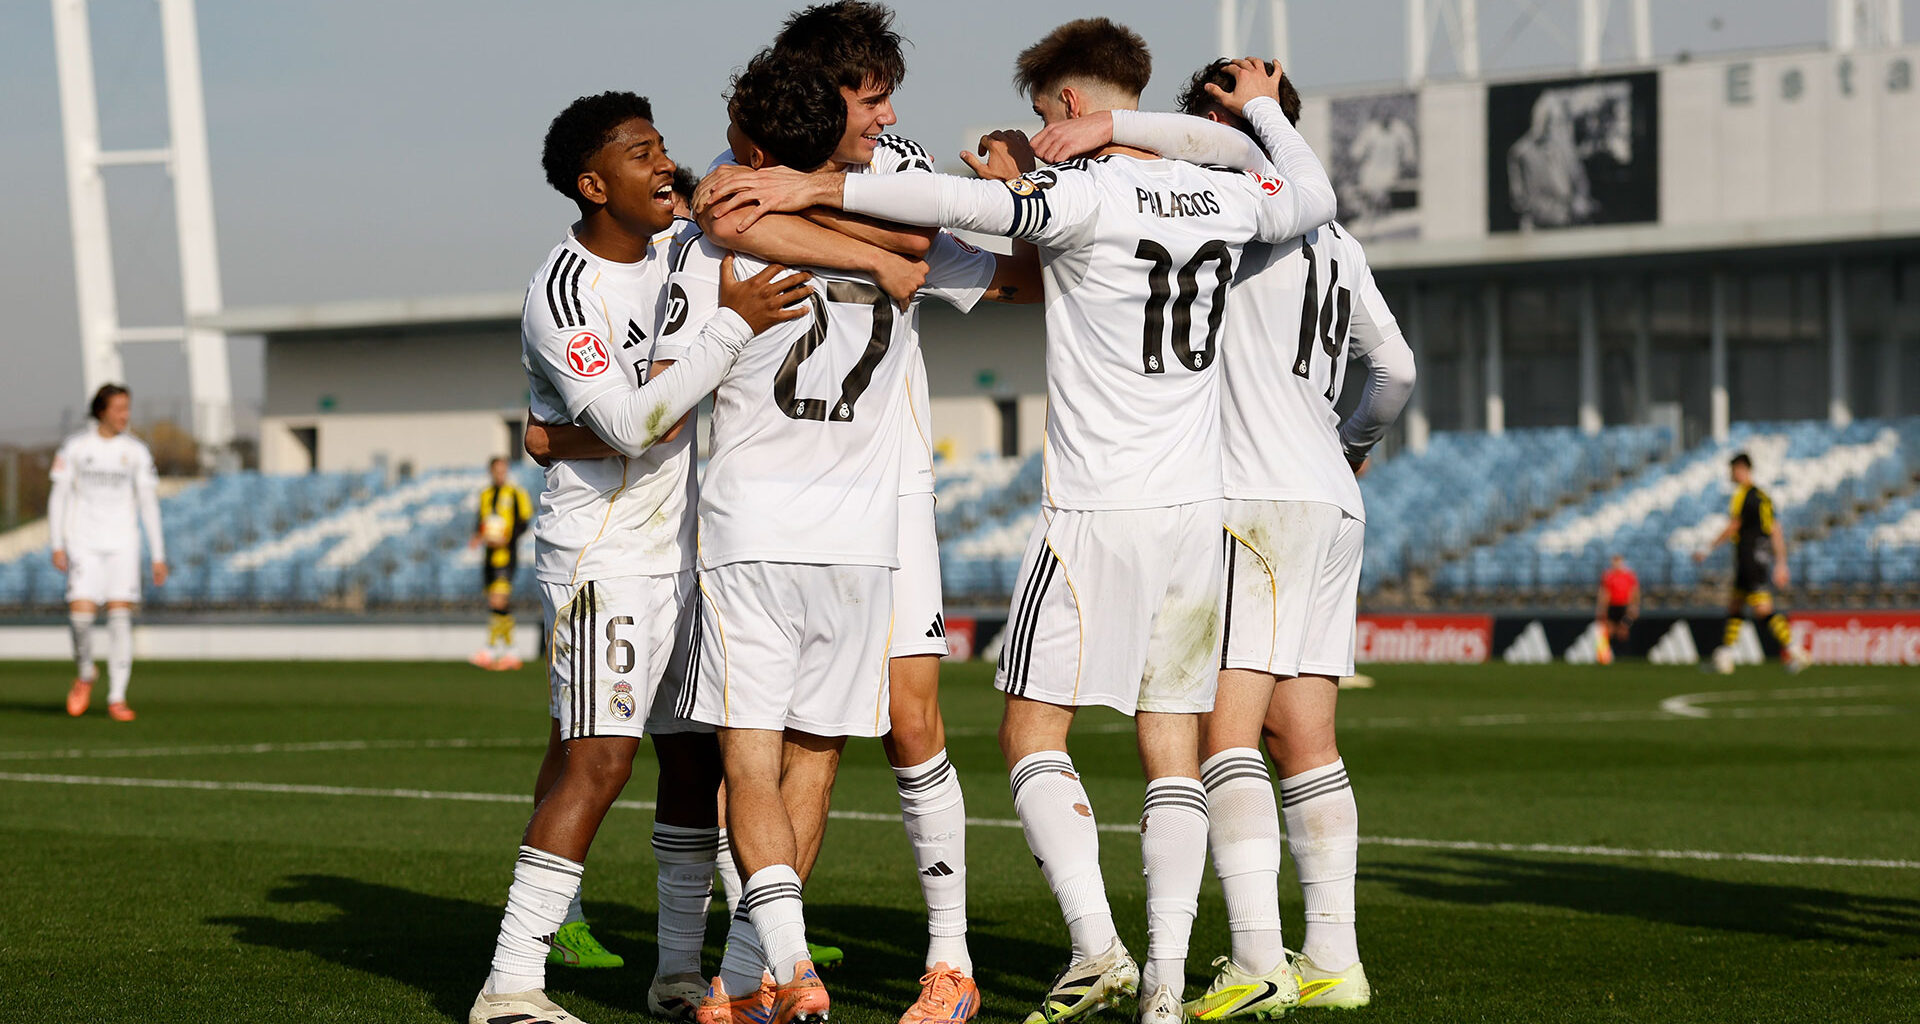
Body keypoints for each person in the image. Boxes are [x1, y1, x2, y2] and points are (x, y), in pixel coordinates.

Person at [702, 26, 1337, 1024]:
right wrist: (1250, 108)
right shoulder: (1230, 196)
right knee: (1169, 743)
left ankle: (1095, 944)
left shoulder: (1077, 199)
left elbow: (953, 206)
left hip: (1091, 515)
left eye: (1051, 116)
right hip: (1193, 509)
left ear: (1075, 115)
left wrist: (809, 191)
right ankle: (1166, 987)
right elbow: (1305, 185)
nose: (1041, 133)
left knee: (1030, 732)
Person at [1031, 57, 1415, 1015]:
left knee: (1223, 736)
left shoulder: (1222, 213)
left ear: (1226, 124)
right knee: (1309, 737)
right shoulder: (1334, 238)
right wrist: (1352, 443)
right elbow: (1396, 369)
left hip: (1249, 495)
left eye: (1189, 119)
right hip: (1331, 496)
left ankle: (1257, 961)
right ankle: (1334, 955)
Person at [669, 52, 1031, 1024]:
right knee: (814, 747)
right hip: (857, 515)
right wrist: (968, 210)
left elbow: (1003, 269)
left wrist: (908, 217)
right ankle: (750, 977)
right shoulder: (775, 198)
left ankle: (866, 966)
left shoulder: (762, 212)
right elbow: (978, 266)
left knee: (822, 743)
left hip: (816, 510)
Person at [468, 90, 811, 1024]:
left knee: (693, 759)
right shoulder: (564, 291)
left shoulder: (684, 246)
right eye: (640, 153)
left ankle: (674, 973)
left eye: (663, 147)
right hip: (606, 556)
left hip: (693, 549)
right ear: (591, 183)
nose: (664, 164)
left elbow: (614, 422)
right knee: (601, 764)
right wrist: (733, 325)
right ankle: (510, 985)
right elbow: (623, 423)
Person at [49, 383, 167, 722]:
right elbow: (58, 498)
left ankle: (117, 696)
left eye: (127, 408)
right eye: (118, 409)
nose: (125, 415)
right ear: (102, 411)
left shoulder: (137, 452)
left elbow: (148, 504)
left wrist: (158, 553)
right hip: (83, 542)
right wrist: (57, 543)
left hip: (123, 545)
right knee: (80, 618)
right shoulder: (76, 448)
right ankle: (86, 673)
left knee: (119, 618)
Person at [1695, 452, 1810, 674]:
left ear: (1740, 469)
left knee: (1761, 609)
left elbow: (1734, 525)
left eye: (1732, 470)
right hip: (1759, 557)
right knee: (1735, 604)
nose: (1730, 475)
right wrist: (1781, 563)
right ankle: (1726, 656)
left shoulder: (1743, 494)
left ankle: (1795, 649)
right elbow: (1776, 529)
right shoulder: (1763, 497)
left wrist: (1707, 548)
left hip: (1749, 557)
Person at [469, 456, 533, 670]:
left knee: (498, 601)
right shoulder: (485, 495)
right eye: (496, 470)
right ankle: (511, 652)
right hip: (489, 556)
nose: (500, 474)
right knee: (495, 603)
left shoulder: (515, 493)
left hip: (506, 555)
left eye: (503, 470)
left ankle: (491, 649)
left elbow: (524, 521)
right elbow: (481, 522)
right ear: (491, 471)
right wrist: (478, 536)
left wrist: (508, 537)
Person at [1595, 554, 1639, 665]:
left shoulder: (1629, 575)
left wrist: (1634, 605)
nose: (1616, 564)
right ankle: (1607, 655)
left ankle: (1625, 655)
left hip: (1624, 606)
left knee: (1624, 629)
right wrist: (1602, 607)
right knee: (1609, 630)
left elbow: (1634, 591)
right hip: (1612, 606)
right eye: (1614, 561)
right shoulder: (1608, 576)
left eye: (1618, 561)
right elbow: (1604, 592)